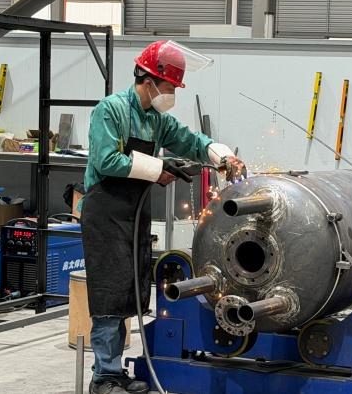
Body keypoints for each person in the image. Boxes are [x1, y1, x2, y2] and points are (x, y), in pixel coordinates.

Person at [81, 40, 245, 394]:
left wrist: (222, 157)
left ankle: (115, 372)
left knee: (129, 293)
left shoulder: (155, 120)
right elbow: (106, 161)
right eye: (169, 87)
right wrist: (158, 168)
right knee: (109, 297)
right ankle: (103, 377)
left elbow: (191, 141)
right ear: (149, 81)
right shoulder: (111, 110)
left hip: (134, 213)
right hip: (105, 214)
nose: (171, 94)